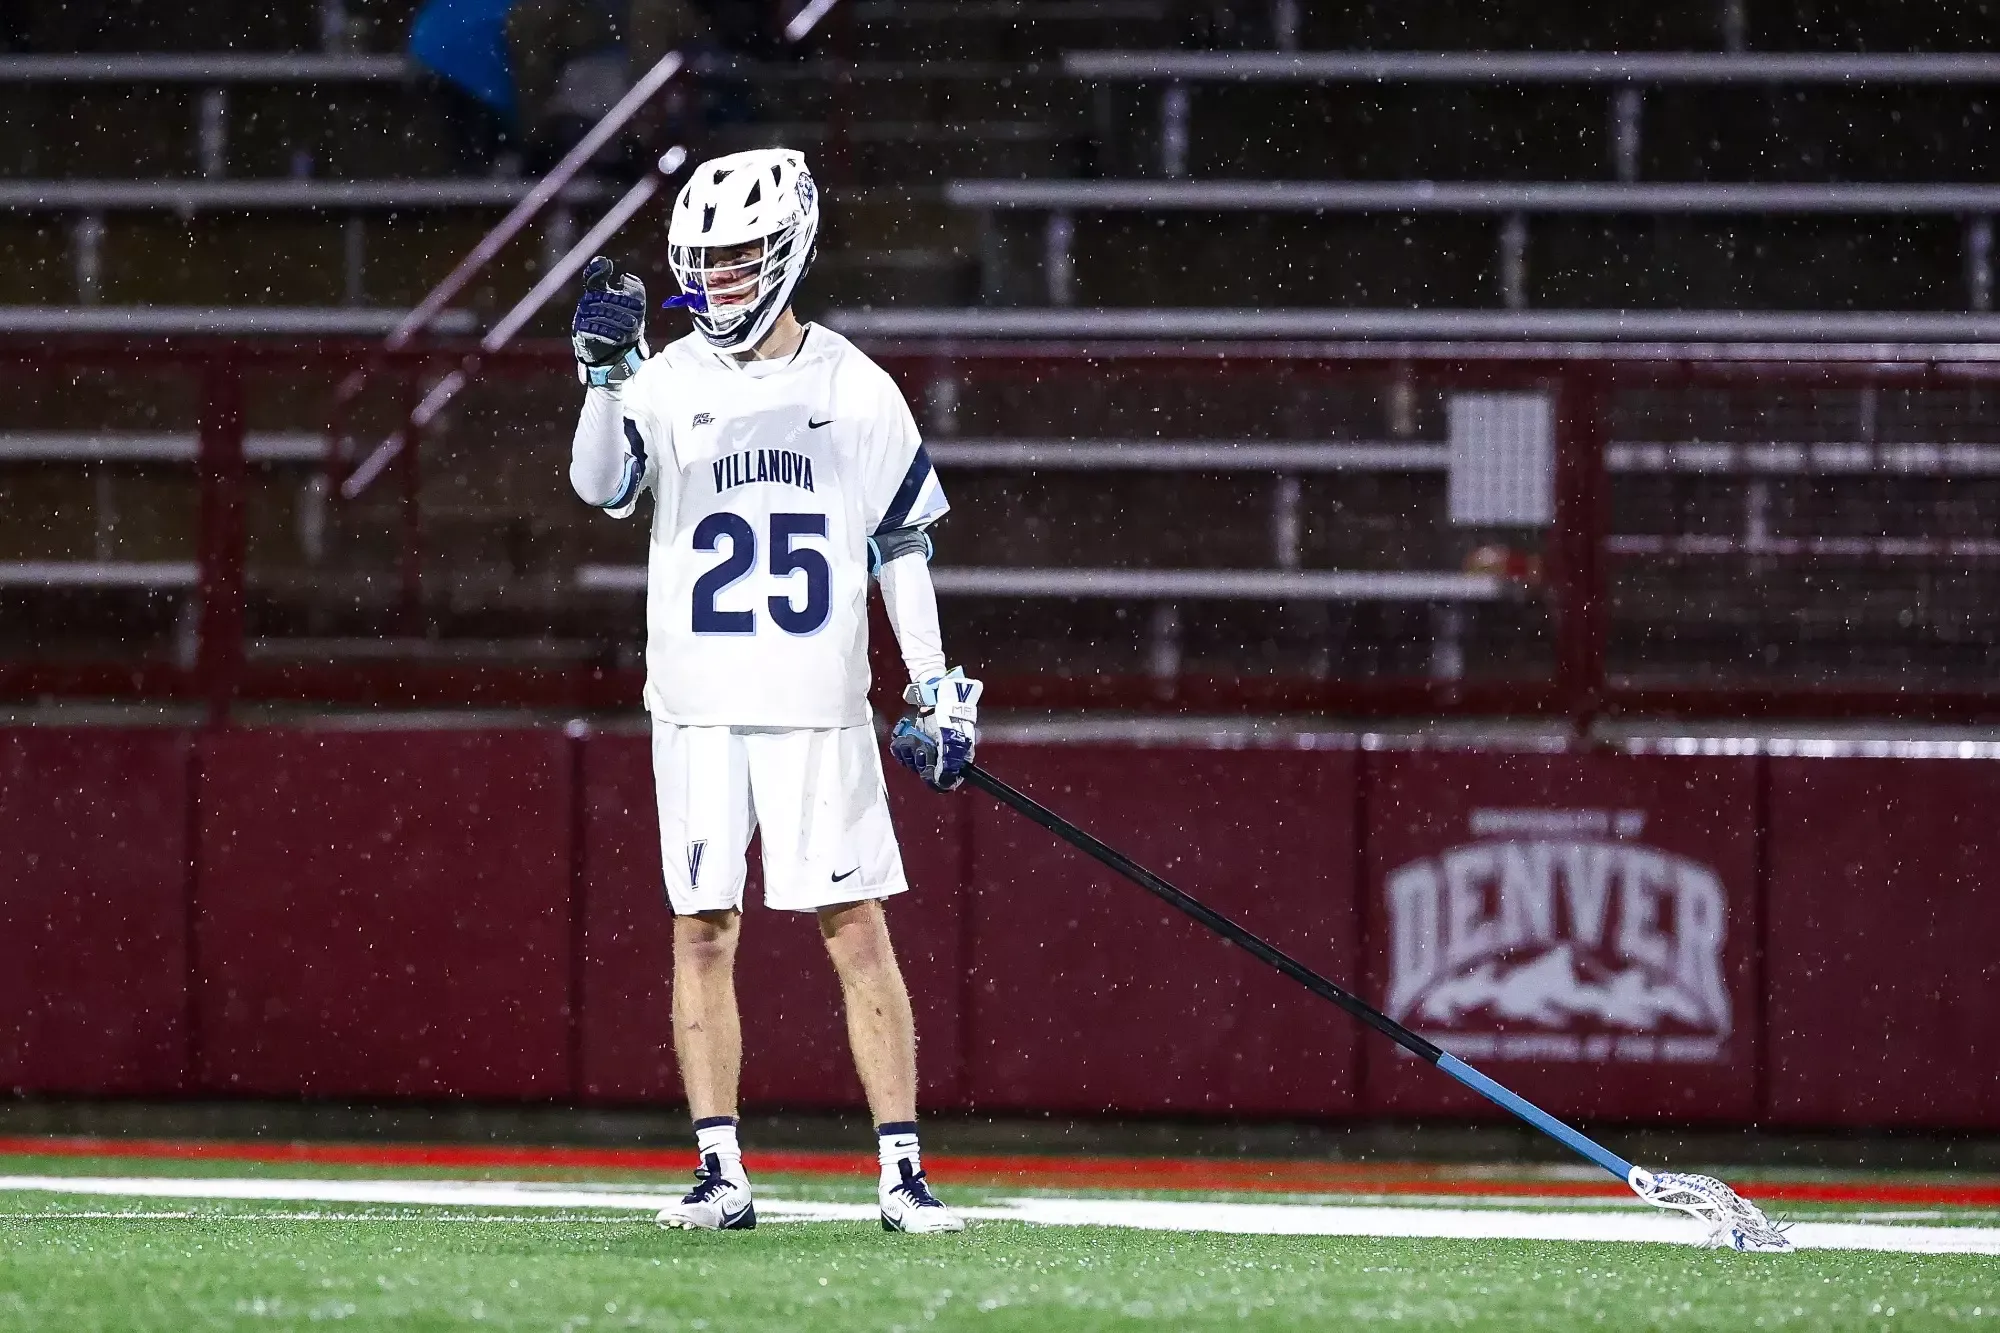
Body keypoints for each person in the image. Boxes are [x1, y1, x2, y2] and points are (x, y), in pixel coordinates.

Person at [566, 147, 979, 1235]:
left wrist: (932, 682)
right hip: (696, 703)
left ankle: (901, 1170)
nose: (722, 280)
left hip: (813, 701)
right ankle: (719, 1169)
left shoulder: (853, 386)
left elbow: (901, 544)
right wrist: (603, 381)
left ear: (788, 248)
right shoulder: (663, 379)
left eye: (742, 256)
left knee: (855, 925)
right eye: (704, 261)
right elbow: (599, 486)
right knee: (700, 928)